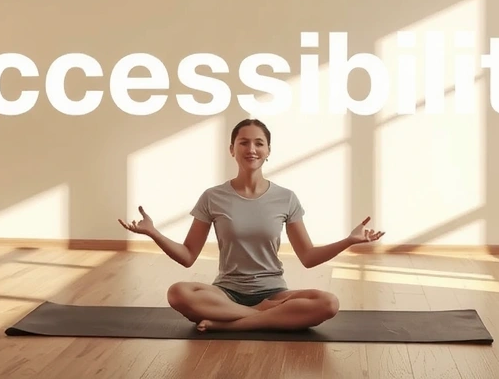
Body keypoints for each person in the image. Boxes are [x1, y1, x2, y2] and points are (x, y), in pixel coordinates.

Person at [118, 118, 384, 333]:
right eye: (243, 143)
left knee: (329, 303)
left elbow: (308, 257)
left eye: (259, 143)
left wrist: (349, 241)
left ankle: (231, 325)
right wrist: (153, 233)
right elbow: (188, 256)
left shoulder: (286, 198)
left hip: (274, 292)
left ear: (268, 151)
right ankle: (261, 316)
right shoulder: (213, 197)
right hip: (225, 293)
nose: (251, 149)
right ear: (232, 149)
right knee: (177, 293)